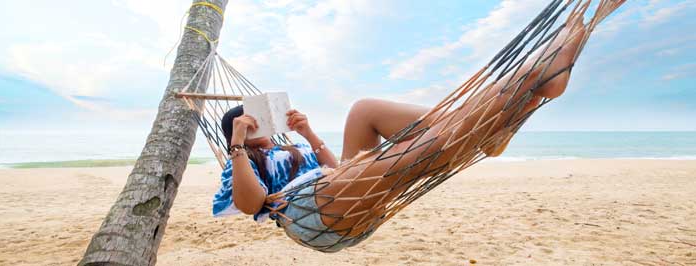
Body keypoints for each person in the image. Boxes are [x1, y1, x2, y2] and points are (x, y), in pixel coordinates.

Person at [213, 16, 587, 252]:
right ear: (240, 126)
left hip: (334, 184)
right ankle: (518, 92)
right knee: (411, 156)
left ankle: (489, 123)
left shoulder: (290, 148)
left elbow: (331, 165)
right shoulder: (240, 160)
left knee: (364, 110)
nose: (259, 124)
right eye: (250, 120)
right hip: (309, 214)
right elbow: (251, 204)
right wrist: (238, 144)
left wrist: (309, 134)